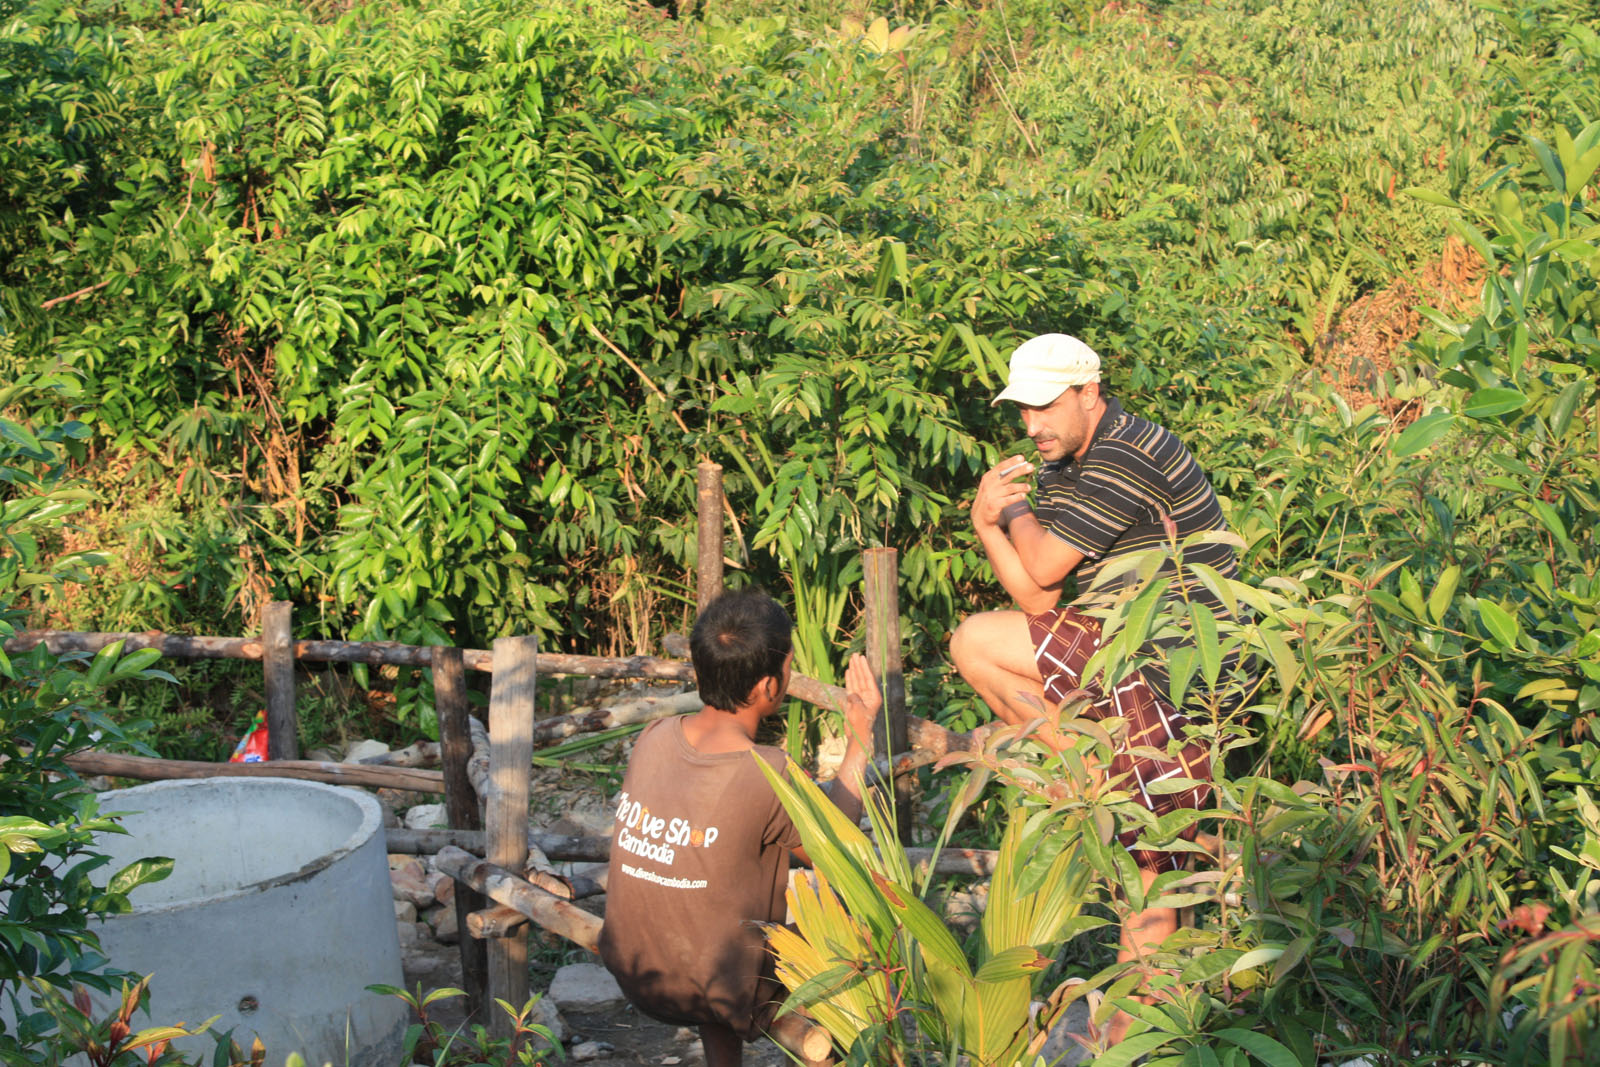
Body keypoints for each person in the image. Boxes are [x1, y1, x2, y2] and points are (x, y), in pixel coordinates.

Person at [949, 332, 1240, 1045]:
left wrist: (997, 518)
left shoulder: (1121, 452)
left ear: (1089, 393)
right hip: (1129, 660)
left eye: (1045, 406)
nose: (1032, 425)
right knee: (1153, 886)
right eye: (1022, 410)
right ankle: (1095, 780)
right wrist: (1004, 522)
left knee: (975, 642)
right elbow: (1039, 597)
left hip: (1179, 670)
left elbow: (1039, 578)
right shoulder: (1068, 461)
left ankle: (1092, 785)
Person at [599, 589, 880, 1067]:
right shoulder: (768, 770)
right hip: (716, 985)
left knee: (714, 895)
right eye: (789, 667)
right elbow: (836, 849)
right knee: (862, 916)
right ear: (770, 686)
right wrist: (860, 735)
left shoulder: (654, 737)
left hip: (636, 967)